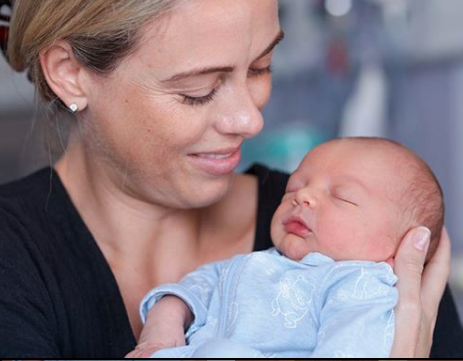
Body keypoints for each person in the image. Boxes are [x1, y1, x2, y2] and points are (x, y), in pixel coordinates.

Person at [0, 0, 463, 358]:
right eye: (199, 89)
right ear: (71, 72)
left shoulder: (361, 231)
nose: (250, 120)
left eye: (259, 67)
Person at [129, 137, 444, 358]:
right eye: (295, 185)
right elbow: (202, 283)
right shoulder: (259, 263)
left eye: (341, 196)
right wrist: (167, 316)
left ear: (395, 251)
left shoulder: (358, 286)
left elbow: (351, 347)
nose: (302, 196)